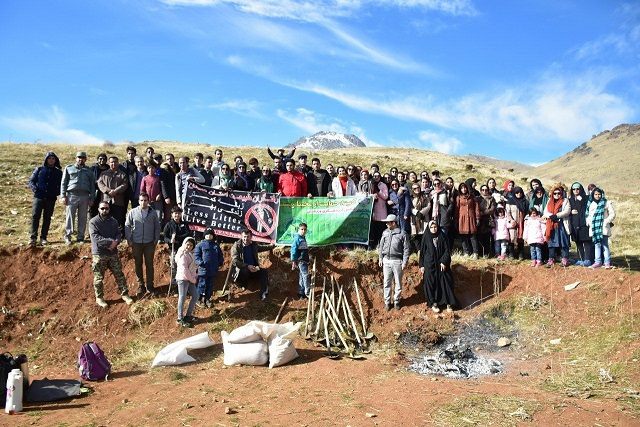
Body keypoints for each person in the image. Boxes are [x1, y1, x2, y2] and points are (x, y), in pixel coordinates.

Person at [89, 201, 133, 308]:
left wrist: (116, 242)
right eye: (102, 208)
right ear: (98, 209)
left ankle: (125, 294)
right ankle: (99, 298)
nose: (105, 210)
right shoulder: (93, 222)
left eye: (106, 208)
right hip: (99, 254)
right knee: (99, 278)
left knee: (119, 275)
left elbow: (119, 233)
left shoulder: (113, 221)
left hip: (113, 253)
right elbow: (95, 237)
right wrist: (110, 243)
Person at [125, 192, 161, 296]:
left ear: (148, 201)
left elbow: (157, 227)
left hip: (149, 243)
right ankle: (141, 285)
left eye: (145, 200)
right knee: (138, 264)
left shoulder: (153, 212)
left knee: (149, 264)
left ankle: (150, 286)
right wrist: (129, 239)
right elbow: (127, 225)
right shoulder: (132, 212)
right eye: (141, 200)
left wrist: (156, 239)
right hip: (136, 243)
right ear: (138, 201)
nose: (143, 202)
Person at [419, 220, 457, 313]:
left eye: (435, 227)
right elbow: (422, 252)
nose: (433, 229)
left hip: (441, 264)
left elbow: (447, 251)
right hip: (430, 264)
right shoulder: (426, 237)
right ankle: (433, 303)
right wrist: (421, 265)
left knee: (446, 280)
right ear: (429, 228)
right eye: (431, 227)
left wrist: (444, 262)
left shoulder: (442, 236)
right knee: (430, 281)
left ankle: (449, 303)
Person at [60, 151, 95, 244]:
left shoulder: (89, 171)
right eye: (79, 157)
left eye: (83, 158)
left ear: (85, 159)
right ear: (76, 158)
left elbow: (92, 186)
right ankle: (68, 236)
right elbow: (63, 183)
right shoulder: (69, 168)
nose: (81, 159)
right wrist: (63, 196)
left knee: (83, 217)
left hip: (84, 196)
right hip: (72, 195)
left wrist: (92, 198)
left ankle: (80, 237)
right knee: (70, 217)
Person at [28, 151, 62, 246]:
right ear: (46, 160)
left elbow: (62, 185)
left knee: (47, 218)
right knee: (35, 216)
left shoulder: (59, 172)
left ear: (55, 160)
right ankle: (33, 238)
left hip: (51, 198)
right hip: (38, 197)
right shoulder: (39, 169)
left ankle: (43, 238)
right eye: (49, 158)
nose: (51, 160)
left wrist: (56, 192)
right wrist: (35, 189)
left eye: (53, 158)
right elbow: (31, 181)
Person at [378, 214, 410, 310]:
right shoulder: (385, 233)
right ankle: (387, 302)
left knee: (398, 283)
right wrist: (380, 258)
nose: (386, 224)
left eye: (388, 222)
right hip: (386, 260)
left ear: (393, 223)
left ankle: (396, 301)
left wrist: (404, 262)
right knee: (387, 282)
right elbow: (381, 246)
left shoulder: (402, 233)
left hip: (397, 261)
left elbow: (406, 249)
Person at [230, 229, 271, 301]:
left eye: (247, 237)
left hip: (253, 269)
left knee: (264, 271)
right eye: (244, 237)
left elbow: (263, 247)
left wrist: (273, 245)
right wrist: (247, 266)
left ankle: (263, 293)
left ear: (251, 237)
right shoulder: (237, 246)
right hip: (241, 272)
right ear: (241, 237)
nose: (246, 239)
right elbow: (235, 261)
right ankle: (243, 284)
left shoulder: (253, 245)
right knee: (245, 270)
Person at [97, 156, 129, 235]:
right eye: (111, 162)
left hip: (118, 200)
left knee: (118, 218)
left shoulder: (122, 174)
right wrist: (108, 191)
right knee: (105, 217)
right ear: (109, 163)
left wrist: (115, 191)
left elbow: (125, 184)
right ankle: (104, 233)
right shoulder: (104, 174)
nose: (113, 163)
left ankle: (118, 235)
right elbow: (100, 184)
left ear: (118, 163)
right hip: (106, 200)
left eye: (115, 162)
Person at [586, 188, 615, 269]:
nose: (597, 196)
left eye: (599, 194)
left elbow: (612, 214)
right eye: (596, 194)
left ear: (602, 194)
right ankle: (598, 262)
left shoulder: (606, 203)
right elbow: (587, 215)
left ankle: (607, 262)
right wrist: (589, 222)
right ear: (593, 195)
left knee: (605, 245)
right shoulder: (591, 204)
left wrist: (606, 221)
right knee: (597, 245)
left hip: (603, 228)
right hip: (594, 228)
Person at [194, 228, 224, 308]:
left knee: (210, 285)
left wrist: (220, 262)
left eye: (211, 234)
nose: (209, 236)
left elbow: (220, 255)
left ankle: (207, 299)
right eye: (207, 234)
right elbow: (196, 256)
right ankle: (198, 299)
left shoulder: (216, 245)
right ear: (204, 235)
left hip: (213, 269)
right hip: (203, 270)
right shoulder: (200, 245)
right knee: (201, 285)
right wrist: (201, 263)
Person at [163, 206, 192, 289]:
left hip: (184, 250)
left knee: (184, 267)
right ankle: (174, 286)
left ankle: (185, 286)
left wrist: (178, 237)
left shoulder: (185, 224)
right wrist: (170, 240)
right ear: (172, 214)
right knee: (174, 267)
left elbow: (188, 234)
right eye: (175, 213)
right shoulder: (168, 225)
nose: (177, 215)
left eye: (179, 213)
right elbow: (164, 237)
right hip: (174, 249)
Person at [543, 184, 571, 267]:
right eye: (555, 193)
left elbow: (567, 211)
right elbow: (545, 212)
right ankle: (551, 259)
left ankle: (565, 259)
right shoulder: (549, 201)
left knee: (563, 242)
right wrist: (551, 216)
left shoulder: (565, 200)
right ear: (552, 194)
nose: (557, 195)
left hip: (561, 224)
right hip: (551, 225)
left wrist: (557, 215)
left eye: (559, 193)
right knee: (551, 243)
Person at [175, 237, 198, 328]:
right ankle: (180, 318)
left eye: (191, 245)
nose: (189, 247)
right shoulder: (182, 255)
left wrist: (194, 276)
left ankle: (188, 316)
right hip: (183, 279)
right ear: (184, 244)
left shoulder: (190, 254)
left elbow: (193, 267)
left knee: (195, 295)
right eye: (187, 244)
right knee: (182, 297)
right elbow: (185, 271)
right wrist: (193, 279)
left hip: (190, 278)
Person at [568, 182, 592, 266]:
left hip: (584, 223)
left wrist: (580, 200)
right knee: (578, 242)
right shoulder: (570, 199)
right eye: (573, 189)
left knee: (586, 242)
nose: (575, 190)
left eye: (577, 188)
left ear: (580, 189)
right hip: (574, 223)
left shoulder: (586, 198)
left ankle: (588, 259)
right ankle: (580, 259)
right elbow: (567, 210)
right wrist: (570, 212)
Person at [455, 182, 480, 257]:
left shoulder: (472, 197)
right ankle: (466, 252)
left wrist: (477, 218)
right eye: (462, 188)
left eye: (465, 187)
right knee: (463, 236)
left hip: (471, 218)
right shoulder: (458, 197)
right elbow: (457, 209)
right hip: (462, 219)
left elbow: (476, 208)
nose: (464, 189)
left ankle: (475, 253)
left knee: (473, 236)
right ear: (460, 189)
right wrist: (456, 219)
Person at [409, 182, 431, 253]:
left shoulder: (424, 196)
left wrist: (421, 213)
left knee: (424, 234)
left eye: (418, 188)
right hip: (415, 218)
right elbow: (410, 207)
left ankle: (424, 249)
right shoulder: (411, 197)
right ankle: (418, 250)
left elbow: (428, 205)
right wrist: (416, 212)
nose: (417, 189)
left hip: (424, 217)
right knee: (416, 234)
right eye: (414, 188)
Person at [290, 223, 310, 299]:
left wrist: (307, 260)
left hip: (304, 260)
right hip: (301, 261)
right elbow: (293, 250)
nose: (303, 231)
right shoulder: (297, 239)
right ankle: (307, 292)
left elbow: (304, 251)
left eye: (305, 229)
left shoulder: (303, 238)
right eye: (302, 229)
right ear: (298, 230)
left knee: (302, 276)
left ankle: (301, 292)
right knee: (306, 276)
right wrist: (293, 261)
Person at [369, 171, 389, 248]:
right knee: (374, 230)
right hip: (373, 210)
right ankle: (374, 245)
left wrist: (378, 191)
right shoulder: (371, 184)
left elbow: (385, 196)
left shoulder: (383, 185)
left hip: (381, 210)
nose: (376, 177)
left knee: (381, 229)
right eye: (375, 176)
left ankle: (381, 245)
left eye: (378, 176)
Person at [477, 184, 496, 257]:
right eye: (483, 190)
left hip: (488, 220)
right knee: (479, 237)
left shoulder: (492, 199)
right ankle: (480, 253)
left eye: (486, 190)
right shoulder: (477, 199)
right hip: (479, 220)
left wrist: (483, 212)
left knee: (487, 238)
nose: (484, 191)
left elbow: (492, 209)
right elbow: (476, 209)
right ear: (480, 191)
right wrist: (480, 213)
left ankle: (486, 253)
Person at [89, 153, 109, 219]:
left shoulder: (109, 168)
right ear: (97, 160)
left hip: (105, 192)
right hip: (95, 191)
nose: (102, 160)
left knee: (104, 209)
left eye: (104, 159)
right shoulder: (93, 168)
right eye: (100, 159)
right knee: (93, 209)